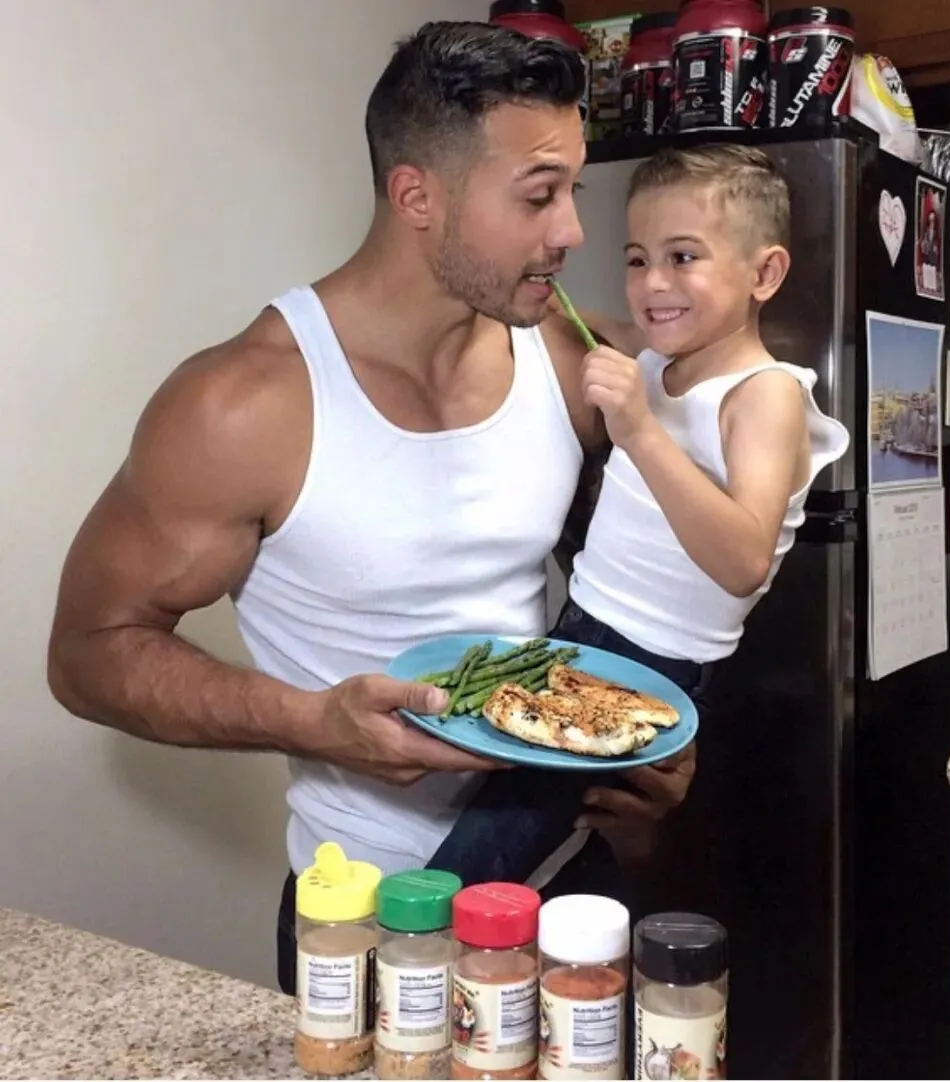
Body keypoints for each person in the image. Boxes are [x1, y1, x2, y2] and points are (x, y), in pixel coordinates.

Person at [45, 21, 695, 995]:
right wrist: (314, 720)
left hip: (568, 893)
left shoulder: (571, 360)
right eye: (538, 195)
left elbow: (652, 589)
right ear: (416, 196)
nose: (571, 232)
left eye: (574, 192)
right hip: (373, 918)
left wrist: (659, 743)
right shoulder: (245, 405)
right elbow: (88, 652)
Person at [427, 144, 850, 887]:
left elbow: (744, 560)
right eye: (636, 258)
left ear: (765, 274)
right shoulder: (655, 360)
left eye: (683, 257)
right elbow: (558, 316)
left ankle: (402, 952)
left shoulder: (765, 394)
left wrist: (640, 431)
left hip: (657, 666)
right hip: (580, 631)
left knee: (489, 856)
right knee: (504, 819)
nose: (653, 283)